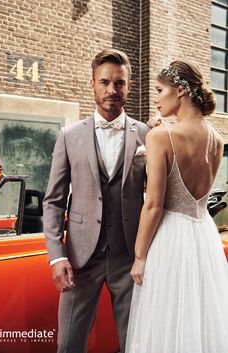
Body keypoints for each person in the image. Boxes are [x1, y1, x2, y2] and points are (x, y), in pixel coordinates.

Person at [43, 48, 149, 353]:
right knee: (69, 344)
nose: (111, 90)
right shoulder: (69, 135)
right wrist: (57, 256)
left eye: (119, 83)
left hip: (130, 259)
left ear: (129, 86)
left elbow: (157, 198)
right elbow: (53, 201)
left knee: (137, 344)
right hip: (79, 260)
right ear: (92, 84)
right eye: (104, 82)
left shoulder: (147, 135)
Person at [125, 61, 228, 353]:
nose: (156, 98)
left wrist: (140, 255)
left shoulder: (161, 136)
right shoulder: (217, 139)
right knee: (200, 318)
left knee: (165, 322)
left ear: (180, 91)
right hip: (202, 236)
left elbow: (155, 205)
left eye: (159, 90)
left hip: (170, 238)